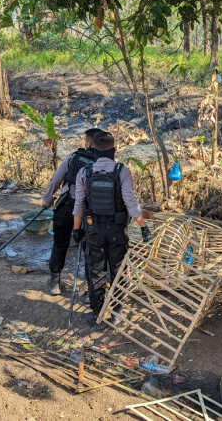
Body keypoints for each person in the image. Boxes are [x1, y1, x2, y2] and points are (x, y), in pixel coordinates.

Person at [72, 131, 151, 328]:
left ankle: (97, 314)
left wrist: (76, 230)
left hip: (93, 230)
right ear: (114, 151)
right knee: (118, 271)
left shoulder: (85, 173)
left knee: (96, 271)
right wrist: (143, 227)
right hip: (117, 230)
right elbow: (130, 203)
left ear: (93, 149)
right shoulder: (122, 172)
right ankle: (117, 311)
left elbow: (79, 205)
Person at [42, 128, 101, 296]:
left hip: (66, 207)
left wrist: (47, 201)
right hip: (89, 213)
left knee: (60, 244)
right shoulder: (104, 164)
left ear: (88, 143)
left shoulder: (74, 157)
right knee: (89, 249)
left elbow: (55, 181)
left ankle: (54, 282)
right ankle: (91, 287)